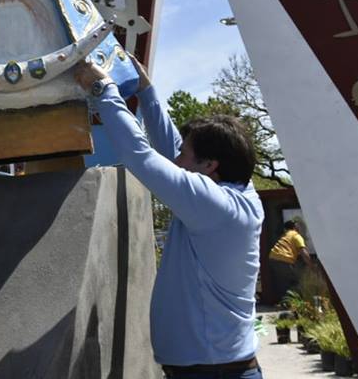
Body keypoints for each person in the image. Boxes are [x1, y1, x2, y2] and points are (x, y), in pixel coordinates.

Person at [75, 59, 264, 378]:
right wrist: (147, 93)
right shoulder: (238, 194)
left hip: (214, 373)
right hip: (215, 369)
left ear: (209, 166)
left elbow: (142, 157)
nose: (176, 161)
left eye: (185, 157)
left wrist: (103, 89)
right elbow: (172, 150)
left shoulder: (215, 206)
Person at [268, 220, 312, 303]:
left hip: (273, 258)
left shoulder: (285, 235)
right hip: (283, 259)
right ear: (295, 228)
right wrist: (310, 264)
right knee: (294, 282)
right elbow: (303, 251)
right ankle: (290, 303)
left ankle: (283, 302)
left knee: (282, 281)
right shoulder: (296, 236)